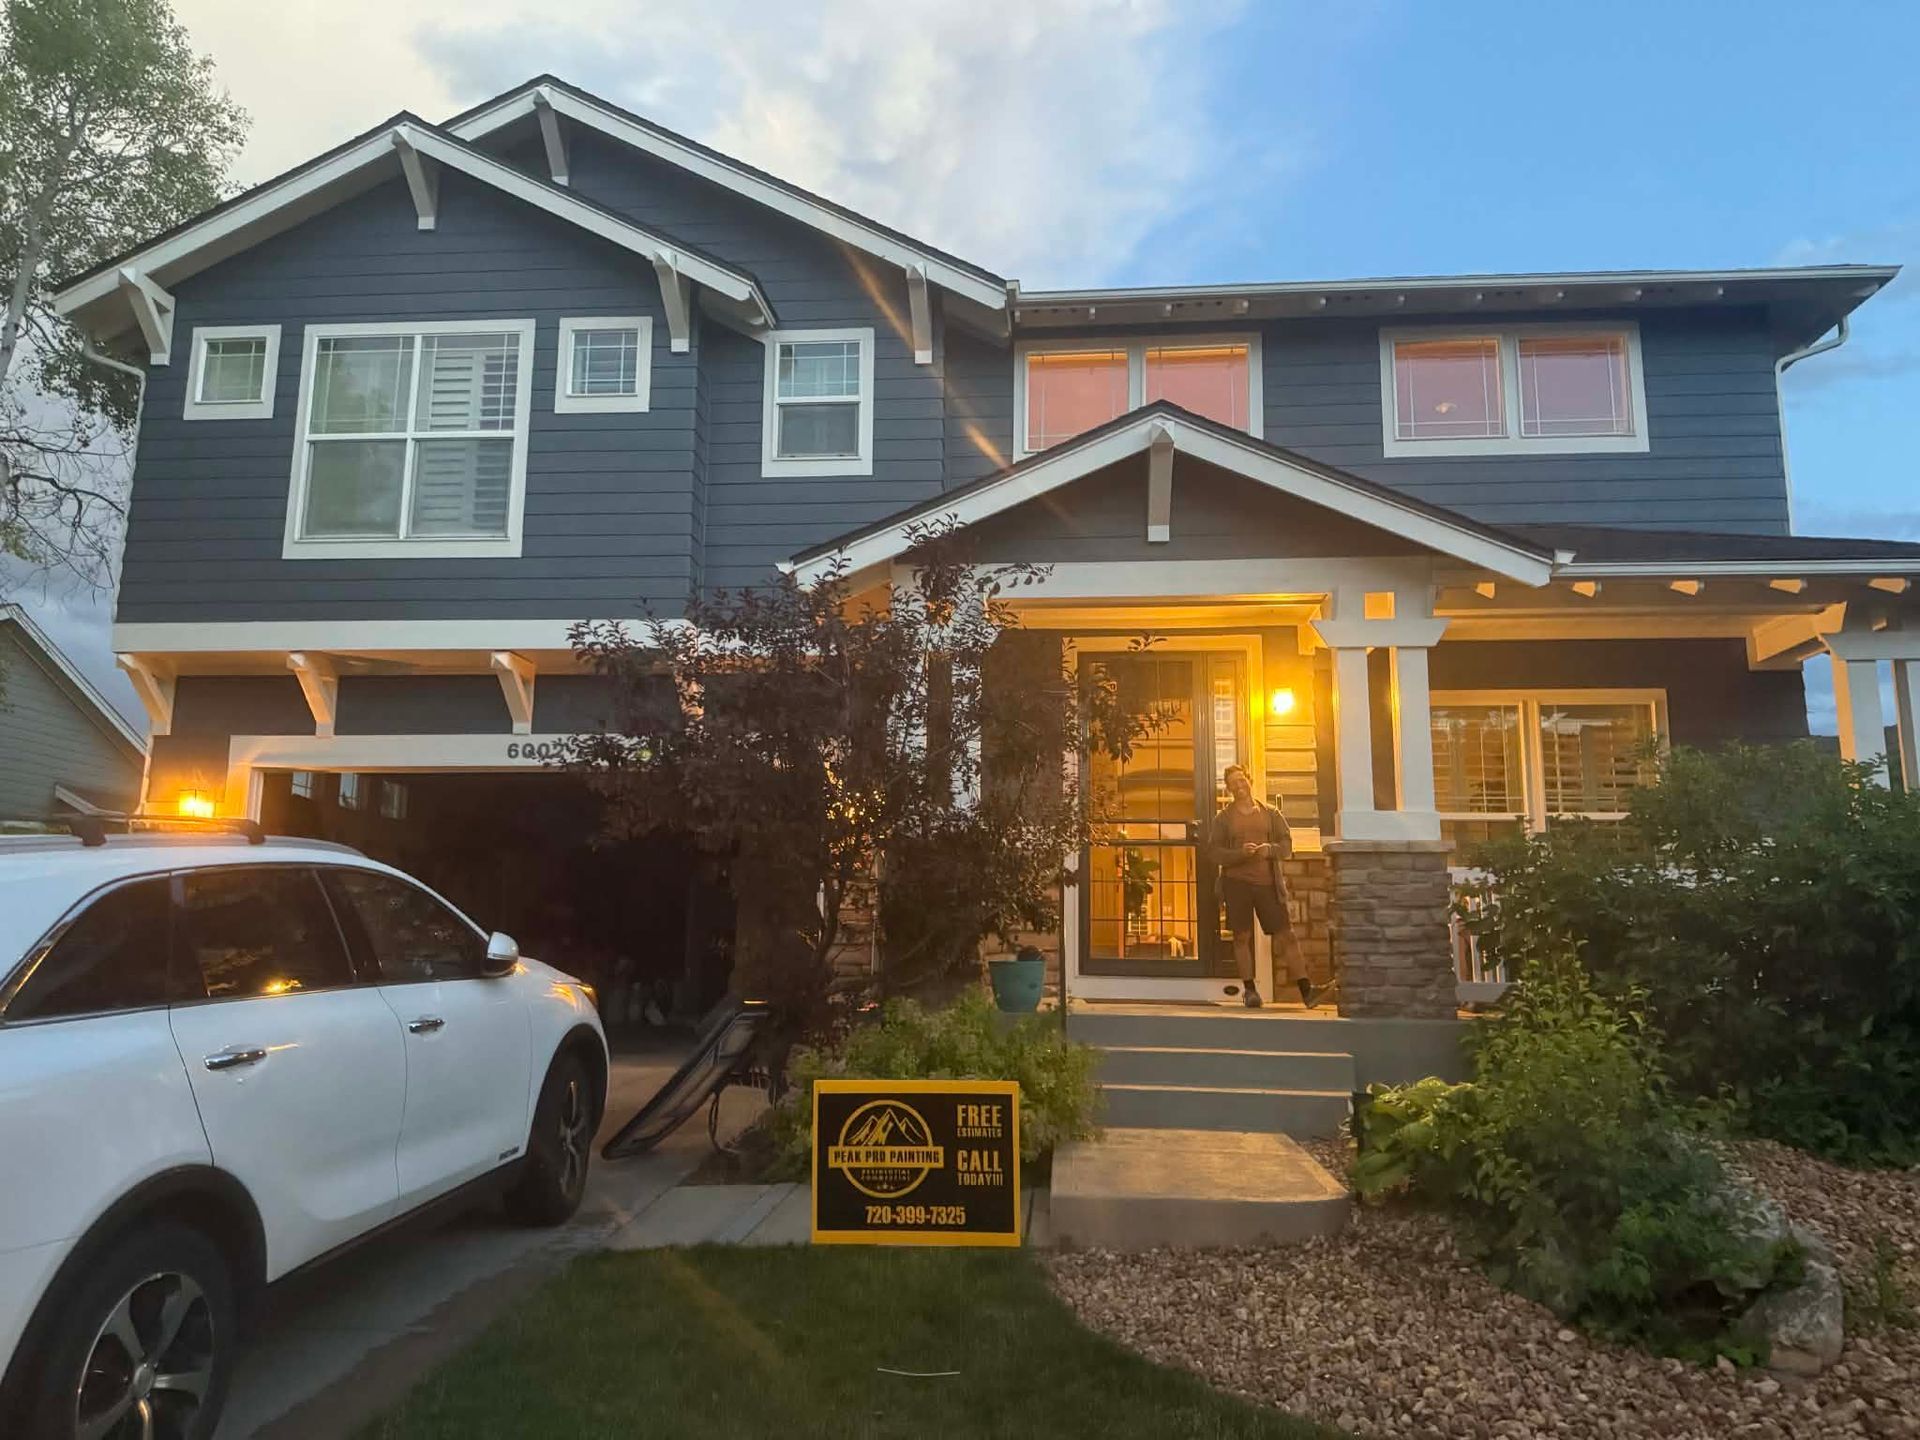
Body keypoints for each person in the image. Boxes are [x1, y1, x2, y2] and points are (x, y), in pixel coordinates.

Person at [1206, 764, 1307, 1008]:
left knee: (1287, 935)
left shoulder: (1270, 813)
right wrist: (1240, 854)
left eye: (1242, 780)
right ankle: (1250, 991)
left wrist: (1268, 850)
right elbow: (1214, 852)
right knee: (1242, 937)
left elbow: (1286, 846)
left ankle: (1307, 990)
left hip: (1267, 884)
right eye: (1233, 783)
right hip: (1236, 884)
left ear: (1249, 780)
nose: (1239, 786)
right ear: (1228, 788)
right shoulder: (1223, 818)